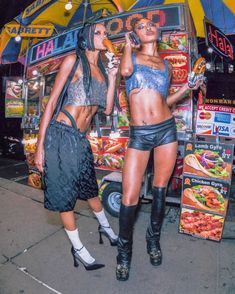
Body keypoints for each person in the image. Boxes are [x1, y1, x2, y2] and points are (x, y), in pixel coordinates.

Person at [116, 18, 202, 281]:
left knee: (160, 191)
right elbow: (126, 73)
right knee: (129, 197)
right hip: (140, 134)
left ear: (158, 31)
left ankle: (153, 240)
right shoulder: (132, 57)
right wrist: (128, 48)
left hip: (166, 130)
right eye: (140, 26)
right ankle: (124, 253)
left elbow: (165, 100)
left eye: (150, 25)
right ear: (136, 35)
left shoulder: (166, 66)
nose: (147, 27)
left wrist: (187, 87)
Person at [34, 23, 119, 271]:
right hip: (61, 134)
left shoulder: (103, 71)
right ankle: (79, 249)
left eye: (106, 33)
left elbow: (109, 108)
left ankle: (107, 229)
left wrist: (114, 78)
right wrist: (40, 147)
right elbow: (50, 105)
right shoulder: (73, 61)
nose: (105, 37)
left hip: (80, 139)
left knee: (90, 189)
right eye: (99, 33)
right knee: (64, 195)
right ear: (86, 37)